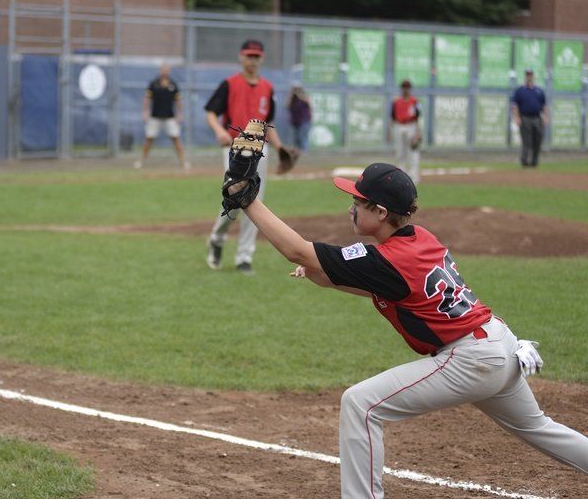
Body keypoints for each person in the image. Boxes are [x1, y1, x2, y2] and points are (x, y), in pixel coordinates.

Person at [222, 160, 588, 498]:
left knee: (361, 404)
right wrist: (321, 273)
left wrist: (249, 201)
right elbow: (372, 284)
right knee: (540, 428)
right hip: (499, 345)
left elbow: (299, 251)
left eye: (358, 202)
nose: (351, 207)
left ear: (381, 212)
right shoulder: (419, 238)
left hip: (471, 359)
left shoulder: (389, 259)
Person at [204, 39, 286, 276]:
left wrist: (280, 148)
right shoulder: (230, 84)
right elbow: (211, 112)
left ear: (262, 59)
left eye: (256, 56)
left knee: (255, 202)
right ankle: (217, 238)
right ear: (241, 57)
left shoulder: (267, 88)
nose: (252, 60)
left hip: (261, 149)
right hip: (234, 149)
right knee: (236, 198)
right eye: (249, 56)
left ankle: (244, 257)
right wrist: (219, 131)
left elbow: (268, 124)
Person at [134, 64, 188, 170]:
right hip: (155, 117)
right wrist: (145, 111)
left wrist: (180, 113)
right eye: (163, 70)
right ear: (160, 71)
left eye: (167, 70)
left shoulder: (173, 84)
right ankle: (140, 161)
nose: (165, 72)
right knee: (149, 139)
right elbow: (147, 99)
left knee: (176, 139)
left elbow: (178, 101)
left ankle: (183, 162)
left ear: (169, 71)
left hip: (170, 117)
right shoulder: (153, 84)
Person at [511, 68, 548, 168]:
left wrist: (545, 117)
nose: (529, 77)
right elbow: (514, 106)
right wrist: (517, 117)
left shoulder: (539, 90)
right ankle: (524, 161)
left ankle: (534, 161)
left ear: (533, 76)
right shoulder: (520, 90)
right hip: (525, 118)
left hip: (537, 118)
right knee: (526, 141)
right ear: (525, 77)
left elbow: (544, 106)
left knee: (537, 140)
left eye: (530, 75)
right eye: (527, 75)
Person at [390, 79, 422, 184]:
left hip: (411, 125)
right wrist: (390, 131)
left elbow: (418, 117)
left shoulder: (415, 101)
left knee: (413, 152)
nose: (405, 89)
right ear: (401, 88)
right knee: (399, 153)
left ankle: (414, 177)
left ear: (410, 89)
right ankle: (401, 178)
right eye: (404, 87)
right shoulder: (396, 102)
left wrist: (418, 132)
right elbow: (393, 118)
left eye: (407, 87)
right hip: (399, 126)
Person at [287, 84, 312, 151]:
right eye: (295, 89)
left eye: (297, 89)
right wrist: (291, 95)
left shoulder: (304, 96)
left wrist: (298, 94)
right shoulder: (293, 99)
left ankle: (304, 152)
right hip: (295, 122)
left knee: (303, 138)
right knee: (296, 139)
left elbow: (308, 102)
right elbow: (287, 105)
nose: (296, 91)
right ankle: (298, 152)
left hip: (304, 121)